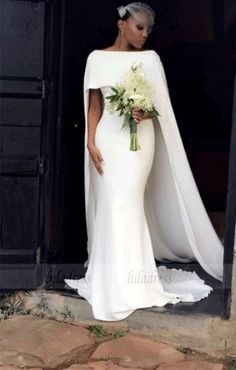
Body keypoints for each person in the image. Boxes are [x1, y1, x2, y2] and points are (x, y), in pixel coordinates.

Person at [65, 2, 224, 321]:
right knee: (112, 203)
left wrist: (144, 111)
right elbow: (94, 104)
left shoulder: (150, 59)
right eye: (139, 27)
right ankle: (113, 278)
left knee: (129, 203)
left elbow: (160, 107)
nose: (145, 34)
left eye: (149, 29)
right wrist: (90, 141)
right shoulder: (97, 58)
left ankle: (134, 281)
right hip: (109, 138)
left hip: (140, 141)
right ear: (121, 23)